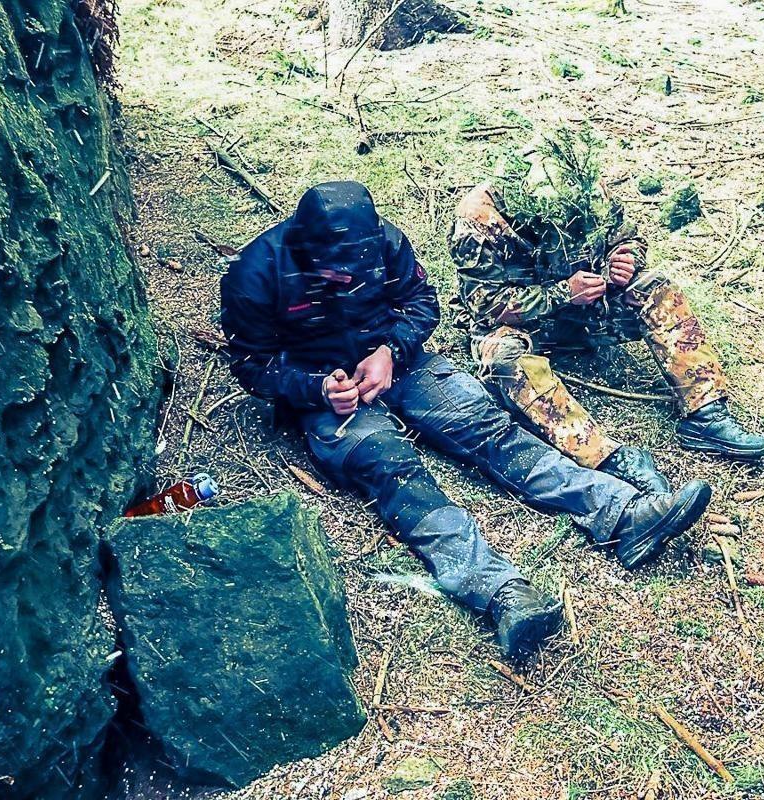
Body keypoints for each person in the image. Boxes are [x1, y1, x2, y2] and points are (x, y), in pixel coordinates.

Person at [220, 181, 712, 661]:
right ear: (305, 250)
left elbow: (421, 303)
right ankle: (503, 593)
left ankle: (624, 513)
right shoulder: (256, 273)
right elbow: (251, 363)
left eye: (357, 271)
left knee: (490, 429)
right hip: (328, 396)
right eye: (334, 273)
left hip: (403, 366)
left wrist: (391, 351)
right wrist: (317, 389)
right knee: (393, 471)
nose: (348, 281)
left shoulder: (384, 241)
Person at [449, 131, 764, 493]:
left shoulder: (588, 191)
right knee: (505, 356)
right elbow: (486, 305)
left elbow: (628, 236)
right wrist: (562, 294)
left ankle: (705, 412)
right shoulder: (478, 219)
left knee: (655, 286)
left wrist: (626, 258)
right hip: (522, 327)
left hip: (589, 312)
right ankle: (607, 458)